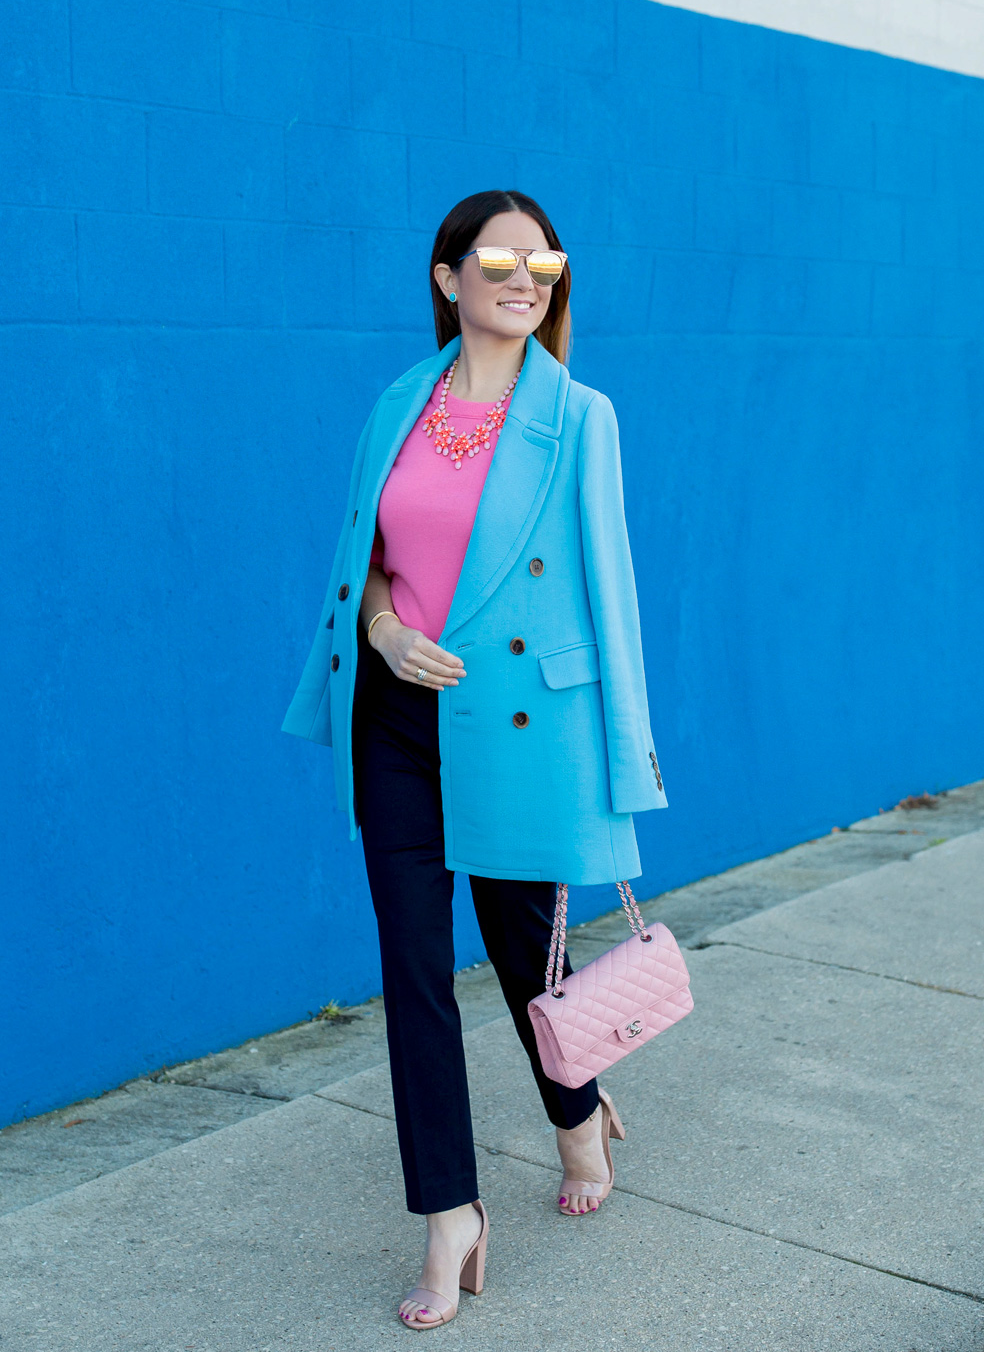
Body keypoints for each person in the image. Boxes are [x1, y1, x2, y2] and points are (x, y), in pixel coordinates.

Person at [282, 189, 667, 1329]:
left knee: (523, 956)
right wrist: (386, 632)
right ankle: (450, 1212)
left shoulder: (578, 416)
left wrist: (622, 766)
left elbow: (612, 598)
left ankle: (576, 1113)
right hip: (396, 720)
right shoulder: (399, 401)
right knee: (411, 969)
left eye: (542, 259)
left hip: (521, 730)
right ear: (447, 276)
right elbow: (369, 563)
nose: (525, 275)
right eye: (499, 257)